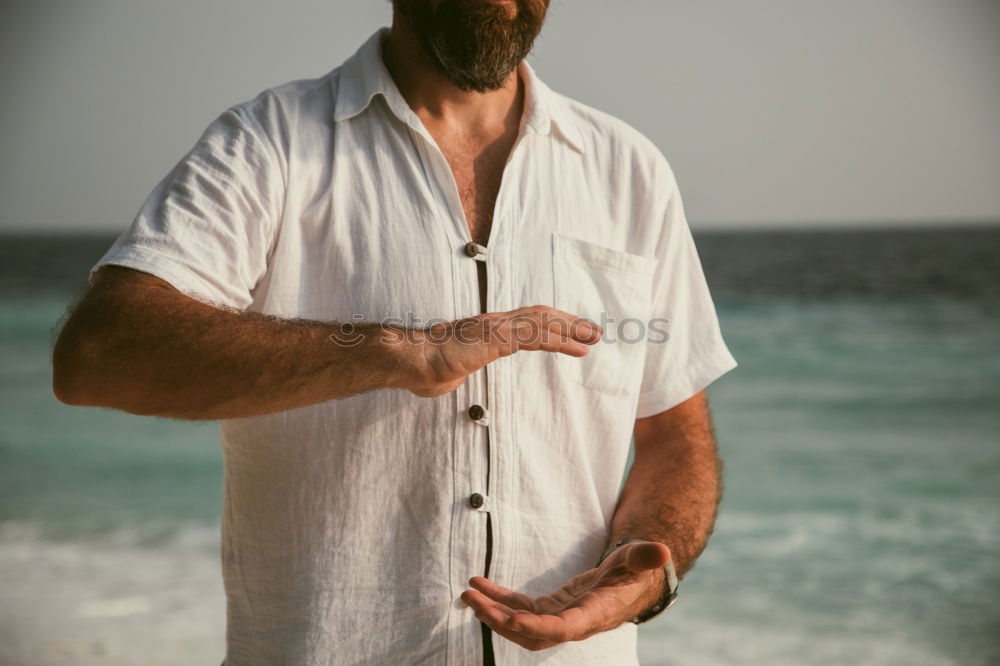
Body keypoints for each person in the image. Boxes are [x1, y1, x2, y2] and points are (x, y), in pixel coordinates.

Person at [52, 1, 737, 663]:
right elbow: (101, 351)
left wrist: (643, 574)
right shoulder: (271, 141)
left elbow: (674, 432)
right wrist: (396, 349)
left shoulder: (628, 168)